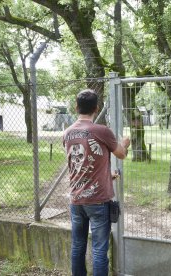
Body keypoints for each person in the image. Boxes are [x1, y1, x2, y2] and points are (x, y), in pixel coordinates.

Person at [63, 89, 130, 276]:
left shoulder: (67, 133)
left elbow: (82, 163)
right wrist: (125, 142)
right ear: (96, 108)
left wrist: (108, 175)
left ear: (76, 107)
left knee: (77, 245)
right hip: (98, 200)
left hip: (76, 200)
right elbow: (121, 154)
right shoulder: (102, 131)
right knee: (99, 249)